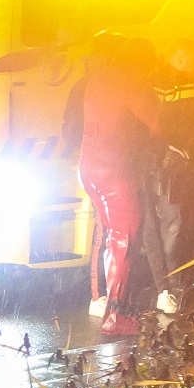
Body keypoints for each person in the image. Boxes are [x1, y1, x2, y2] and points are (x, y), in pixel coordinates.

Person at [79, 35, 164, 337]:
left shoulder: (99, 78)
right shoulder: (133, 82)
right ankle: (118, 315)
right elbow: (159, 123)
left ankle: (106, 301)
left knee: (110, 237)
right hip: (117, 171)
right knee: (124, 242)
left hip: (89, 166)